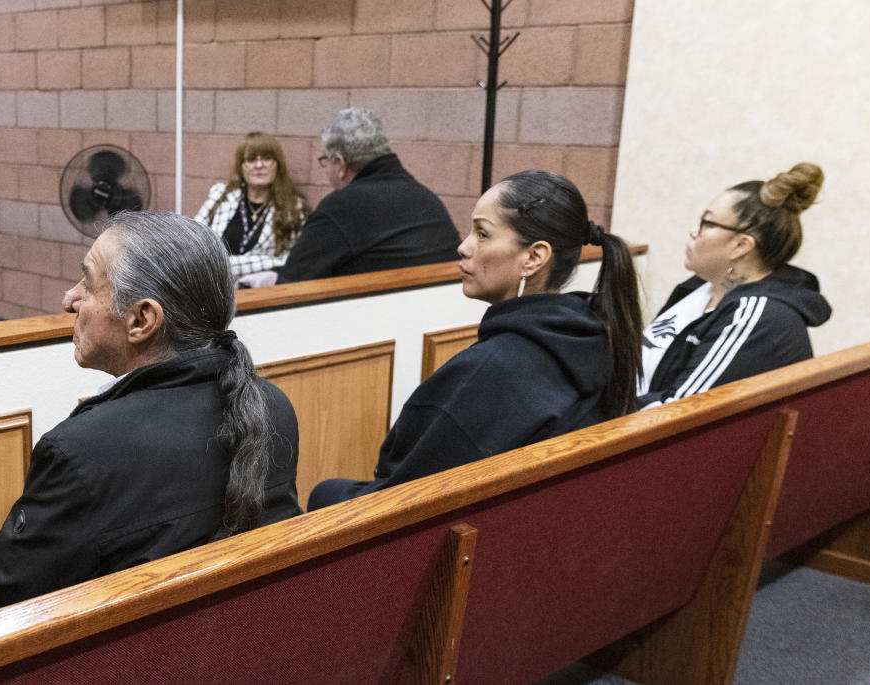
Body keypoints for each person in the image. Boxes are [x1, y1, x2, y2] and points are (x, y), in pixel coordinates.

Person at [0, 211, 302, 630]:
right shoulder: (272, 407)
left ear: (141, 320)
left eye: (88, 282)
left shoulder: (84, 454)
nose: (69, 299)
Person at [307, 170, 642, 509]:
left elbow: (402, 500)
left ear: (534, 257)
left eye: (483, 234)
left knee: (324, 492)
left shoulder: (491, 371)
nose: (463, 247)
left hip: (465, 539)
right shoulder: (594, 336)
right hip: (538, 525)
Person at [639, 162, 832, 407]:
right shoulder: (699, 288)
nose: (693, 232)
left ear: (741, 245)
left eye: (707, 224)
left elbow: (678, 410)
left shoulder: (759, 317)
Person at [275, 107, 460, 283]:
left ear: (340, 164)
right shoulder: (425, 197)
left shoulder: (339, 208)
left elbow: (289, 285)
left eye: (326, 161)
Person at [194, 131, 309, 286]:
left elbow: (288, 260)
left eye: (267, 158)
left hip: (256, 292)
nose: (259, 165)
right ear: (241, 166)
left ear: (277, 164)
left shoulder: (293, 208)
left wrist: (224, 264)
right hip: (208, 284)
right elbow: (193, 238)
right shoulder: (221, 196)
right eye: (251, 159)